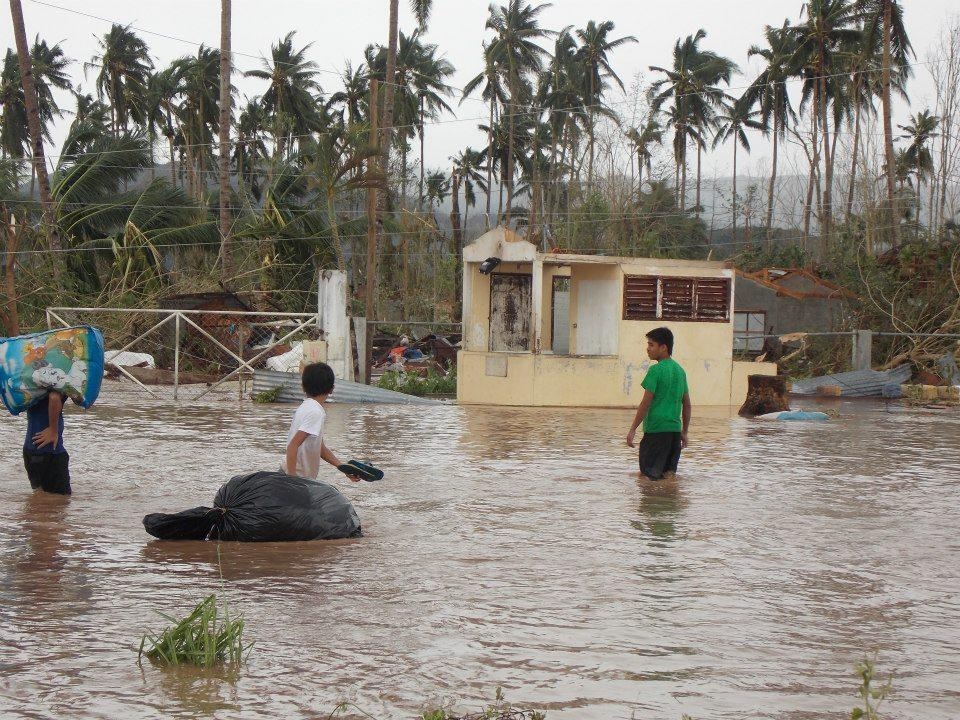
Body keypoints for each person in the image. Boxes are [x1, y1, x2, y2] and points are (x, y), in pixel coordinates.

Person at [626, 327, 691, 481]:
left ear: (663, 348)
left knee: (648, 480)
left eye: (651, 345)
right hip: (674, 434)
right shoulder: (680, 371)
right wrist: (684, 432)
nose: (647, 349)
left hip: (655, 432)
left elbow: (645, 403)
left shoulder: (655, 370)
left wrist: (633, 429)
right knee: (668, 479)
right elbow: (687, 405)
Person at [283, 362, 359, 482]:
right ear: (332, 389)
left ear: (302, 387)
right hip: (295, 478)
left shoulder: (306, 407)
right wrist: (292, 482)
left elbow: (320, 448)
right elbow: (292, 446)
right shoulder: (315, 413)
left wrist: (342, 467)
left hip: (291, 475)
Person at [23, 390, 71, 495]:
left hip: (30, 449)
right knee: (61, 502)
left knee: (40, 499)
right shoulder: (55, 378)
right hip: (50, 451)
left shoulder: (32, 381)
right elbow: (54, 397)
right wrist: (53, 430)